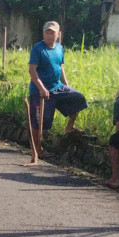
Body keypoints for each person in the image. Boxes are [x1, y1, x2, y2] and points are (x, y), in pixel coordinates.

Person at [28, 20, 88, 157]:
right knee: (39, 121)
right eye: (47, 32)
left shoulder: (59, 48)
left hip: (57, 87)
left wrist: (66, 85)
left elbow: (60, 68)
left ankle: (70, 126)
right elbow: (32, 71)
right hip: (39, 90)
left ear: (58, 34)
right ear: (43, 33)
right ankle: (37, 150)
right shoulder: (38, 49)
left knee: (78, 98)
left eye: (52, 33)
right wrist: (42, 88)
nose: (49, 35)